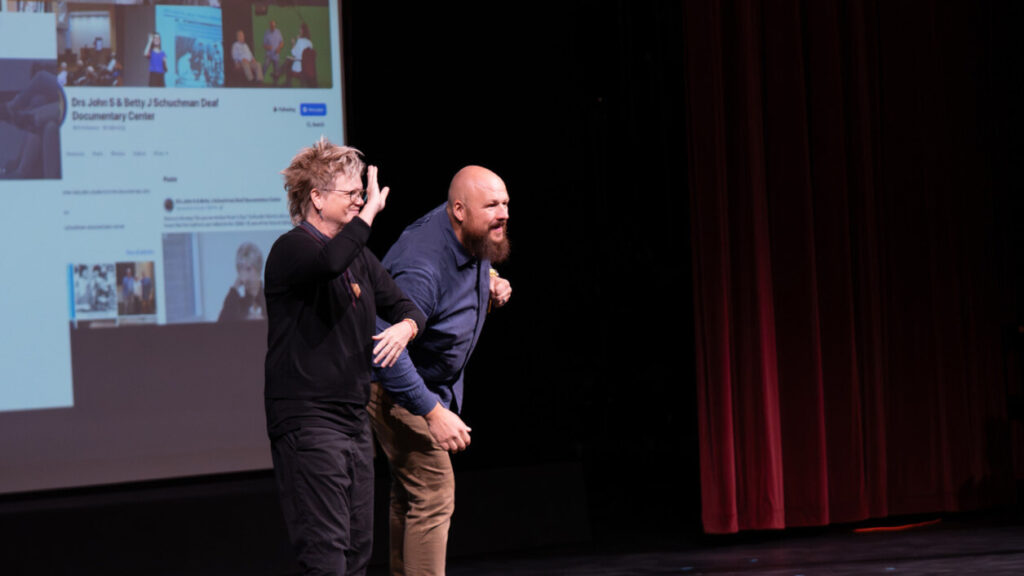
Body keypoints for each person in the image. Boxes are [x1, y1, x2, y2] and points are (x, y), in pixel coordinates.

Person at [264, 138, 427, 576]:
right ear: (316, 198)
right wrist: (370, 213)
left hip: (353, 420)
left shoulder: (361, 259)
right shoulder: (292, 248)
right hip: (309, 420)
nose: (360, 200)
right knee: (326, 555)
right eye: (351, 194)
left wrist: (405, 327)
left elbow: (408, 307)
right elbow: (330, 262)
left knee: (357, 552)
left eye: (362, 194)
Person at [369, 165, 512, 576]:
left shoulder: (468, 231)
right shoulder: (421, 265)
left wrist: (493, 280)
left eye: (505, 203)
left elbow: (469, 263)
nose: (503, 213)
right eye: (492, 206)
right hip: (396, 386)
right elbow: (385, 349)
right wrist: (432, 412)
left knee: (409, 495)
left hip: (425, 384)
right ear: (459, 210)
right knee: (433, 492)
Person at [218, 241, 266, 321]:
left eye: (248, 269)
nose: (244, 276)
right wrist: (235, 287)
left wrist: (264, 323)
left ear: (258, 270)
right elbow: (220, 327)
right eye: (240, 269)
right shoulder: (238, 306)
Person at [262, 19, 284, 84]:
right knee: (264, 67)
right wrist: (267, 47)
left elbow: (282, 42)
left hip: (276, 55)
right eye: (271, 25)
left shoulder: (278, 32)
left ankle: (275, 84)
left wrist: (279, 48)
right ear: (270, 25)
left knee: (276, 72)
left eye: (274, 25)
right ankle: (259, 82)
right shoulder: (266, 33)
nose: (273, 27)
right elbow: (264, 45)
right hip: (269, 55)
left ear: (275, 25)